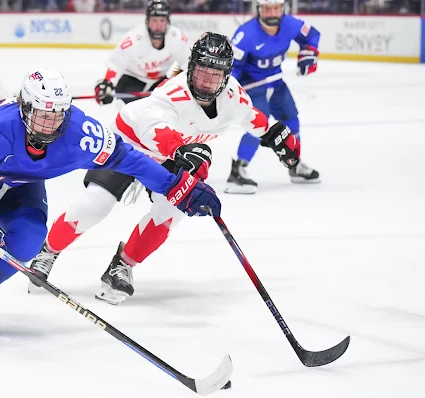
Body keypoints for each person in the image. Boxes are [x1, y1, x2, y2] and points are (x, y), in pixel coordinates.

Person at [0, 68, 222, 345]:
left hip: (23, 187)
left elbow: (129, 160)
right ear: (24, 107)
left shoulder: (82, 134)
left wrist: (177, 187)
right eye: (42, 114)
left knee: (28, 241)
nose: (50, 124)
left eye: (57, 115)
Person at [28, 33, 301, 305]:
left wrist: (274, 133)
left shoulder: (234, 96)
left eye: (214, 76)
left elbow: (251, 117)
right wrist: (183, 149)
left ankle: (121, 266)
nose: (206, 82)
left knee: (172, 210)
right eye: (202, 72)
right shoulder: (171, 94)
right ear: (191, 67)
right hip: (129, 145)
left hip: (174, 153)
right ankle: (48, 251)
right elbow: (155, 132)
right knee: (95, 204)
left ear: (226, 77)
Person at [226, 0, 321, 194]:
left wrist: (309, 52)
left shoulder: (290, 24)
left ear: (282, 9)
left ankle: (294, 165)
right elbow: (232, 68)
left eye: (276, 8)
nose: (272, 13)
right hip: (252, 85)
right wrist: (230, 92)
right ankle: (238, 170)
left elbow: (311, 35)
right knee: (259, 122)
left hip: (276, 82)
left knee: (291, 119)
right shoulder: (245, 35)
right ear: (259, 9)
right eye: (267, 8)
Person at [94, 0, 190, 108]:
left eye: (162, 20)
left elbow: (187, 64)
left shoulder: (177, 38)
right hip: (131, 80)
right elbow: (115, 64)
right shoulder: (133, 40)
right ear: (147, 21)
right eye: (154, 20)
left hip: (158, 83)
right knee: (128, 115)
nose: (158, 25)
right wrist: (108, 84)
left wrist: (185, 83)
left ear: (168, 21)